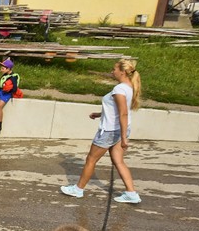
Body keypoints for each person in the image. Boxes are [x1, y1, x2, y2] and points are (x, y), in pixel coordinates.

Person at [61, 59, 143, 204]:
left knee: (91, 159)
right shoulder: (129, 87)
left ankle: (78, 189)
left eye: (114, 69)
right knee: (118, 161)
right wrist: (99, 114)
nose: (112, 71)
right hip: (119, 129)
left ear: (123, 72)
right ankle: (131, 193)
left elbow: (123, 113)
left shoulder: (120, 90)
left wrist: (124, 138)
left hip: (110, 131)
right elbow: (117, 110)